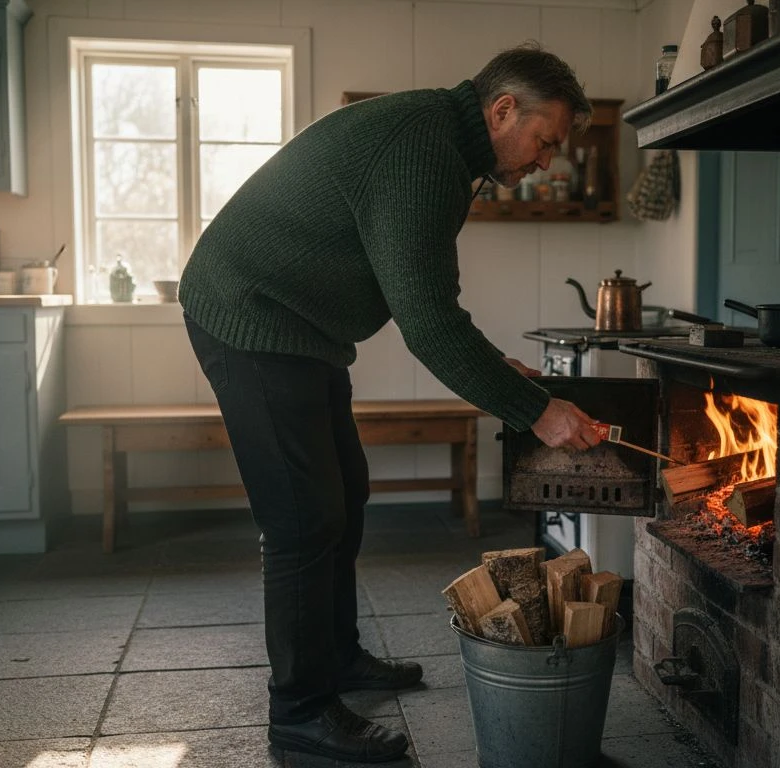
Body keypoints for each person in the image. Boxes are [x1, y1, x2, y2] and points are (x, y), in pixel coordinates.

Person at [178, 41, 601, 763]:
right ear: (503, 110)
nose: (547, 160)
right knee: (303, 519)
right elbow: (429, 325)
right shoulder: (425, 151)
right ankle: (301, 712)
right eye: (545, 140)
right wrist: (538, 410)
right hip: (250, 318)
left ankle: (336, 658)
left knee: (346, 492)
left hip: (301, 330)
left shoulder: (444, 145)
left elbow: (424, 300)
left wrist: (502, 373)